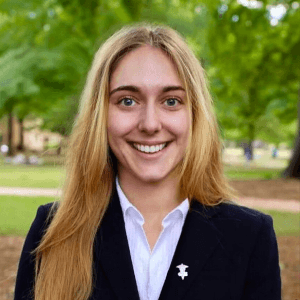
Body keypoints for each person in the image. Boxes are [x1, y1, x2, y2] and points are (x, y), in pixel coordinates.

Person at [14, 24, 281, 300]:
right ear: (100, 115)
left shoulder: (249, 237)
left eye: (171, 101)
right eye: (128, 101)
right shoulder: (53, 231)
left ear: (195, 114)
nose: (150, 124)